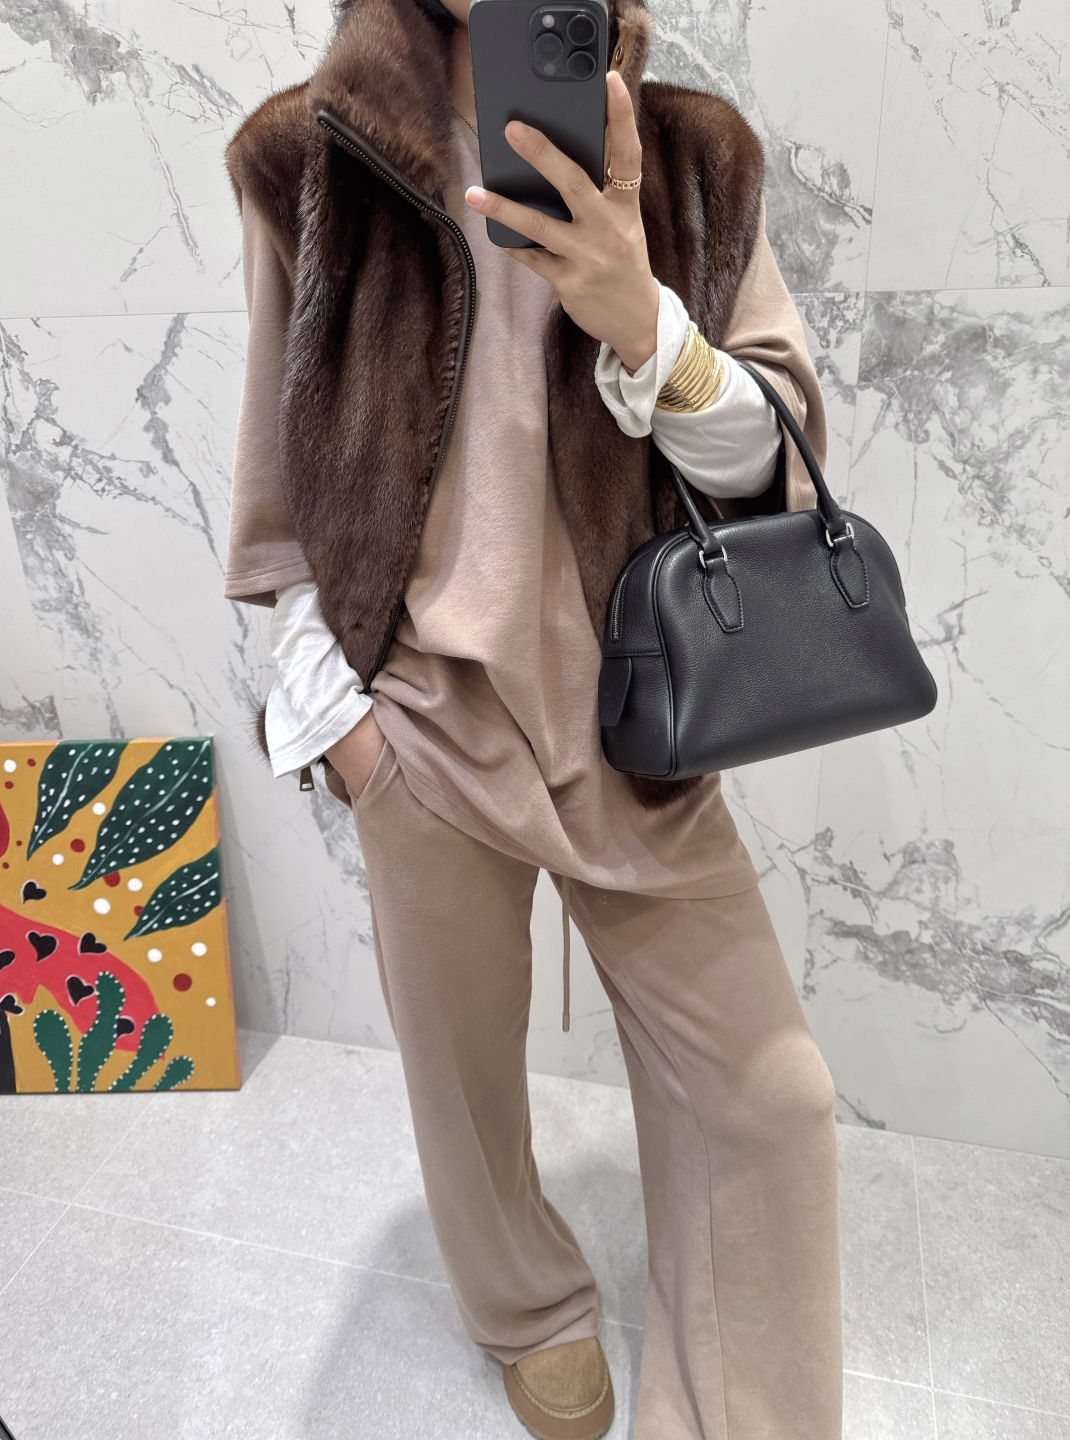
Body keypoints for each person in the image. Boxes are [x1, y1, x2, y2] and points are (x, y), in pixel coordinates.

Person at [222, 0, 842, 1433]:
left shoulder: (692, 156)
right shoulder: (301, 159)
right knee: (463, 1080)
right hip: (425, 729)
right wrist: (350, 739)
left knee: (770, 1098)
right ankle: (524, 1304)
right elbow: (278, 494)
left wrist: (648, 323)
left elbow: (781, 474)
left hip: (645, 725)